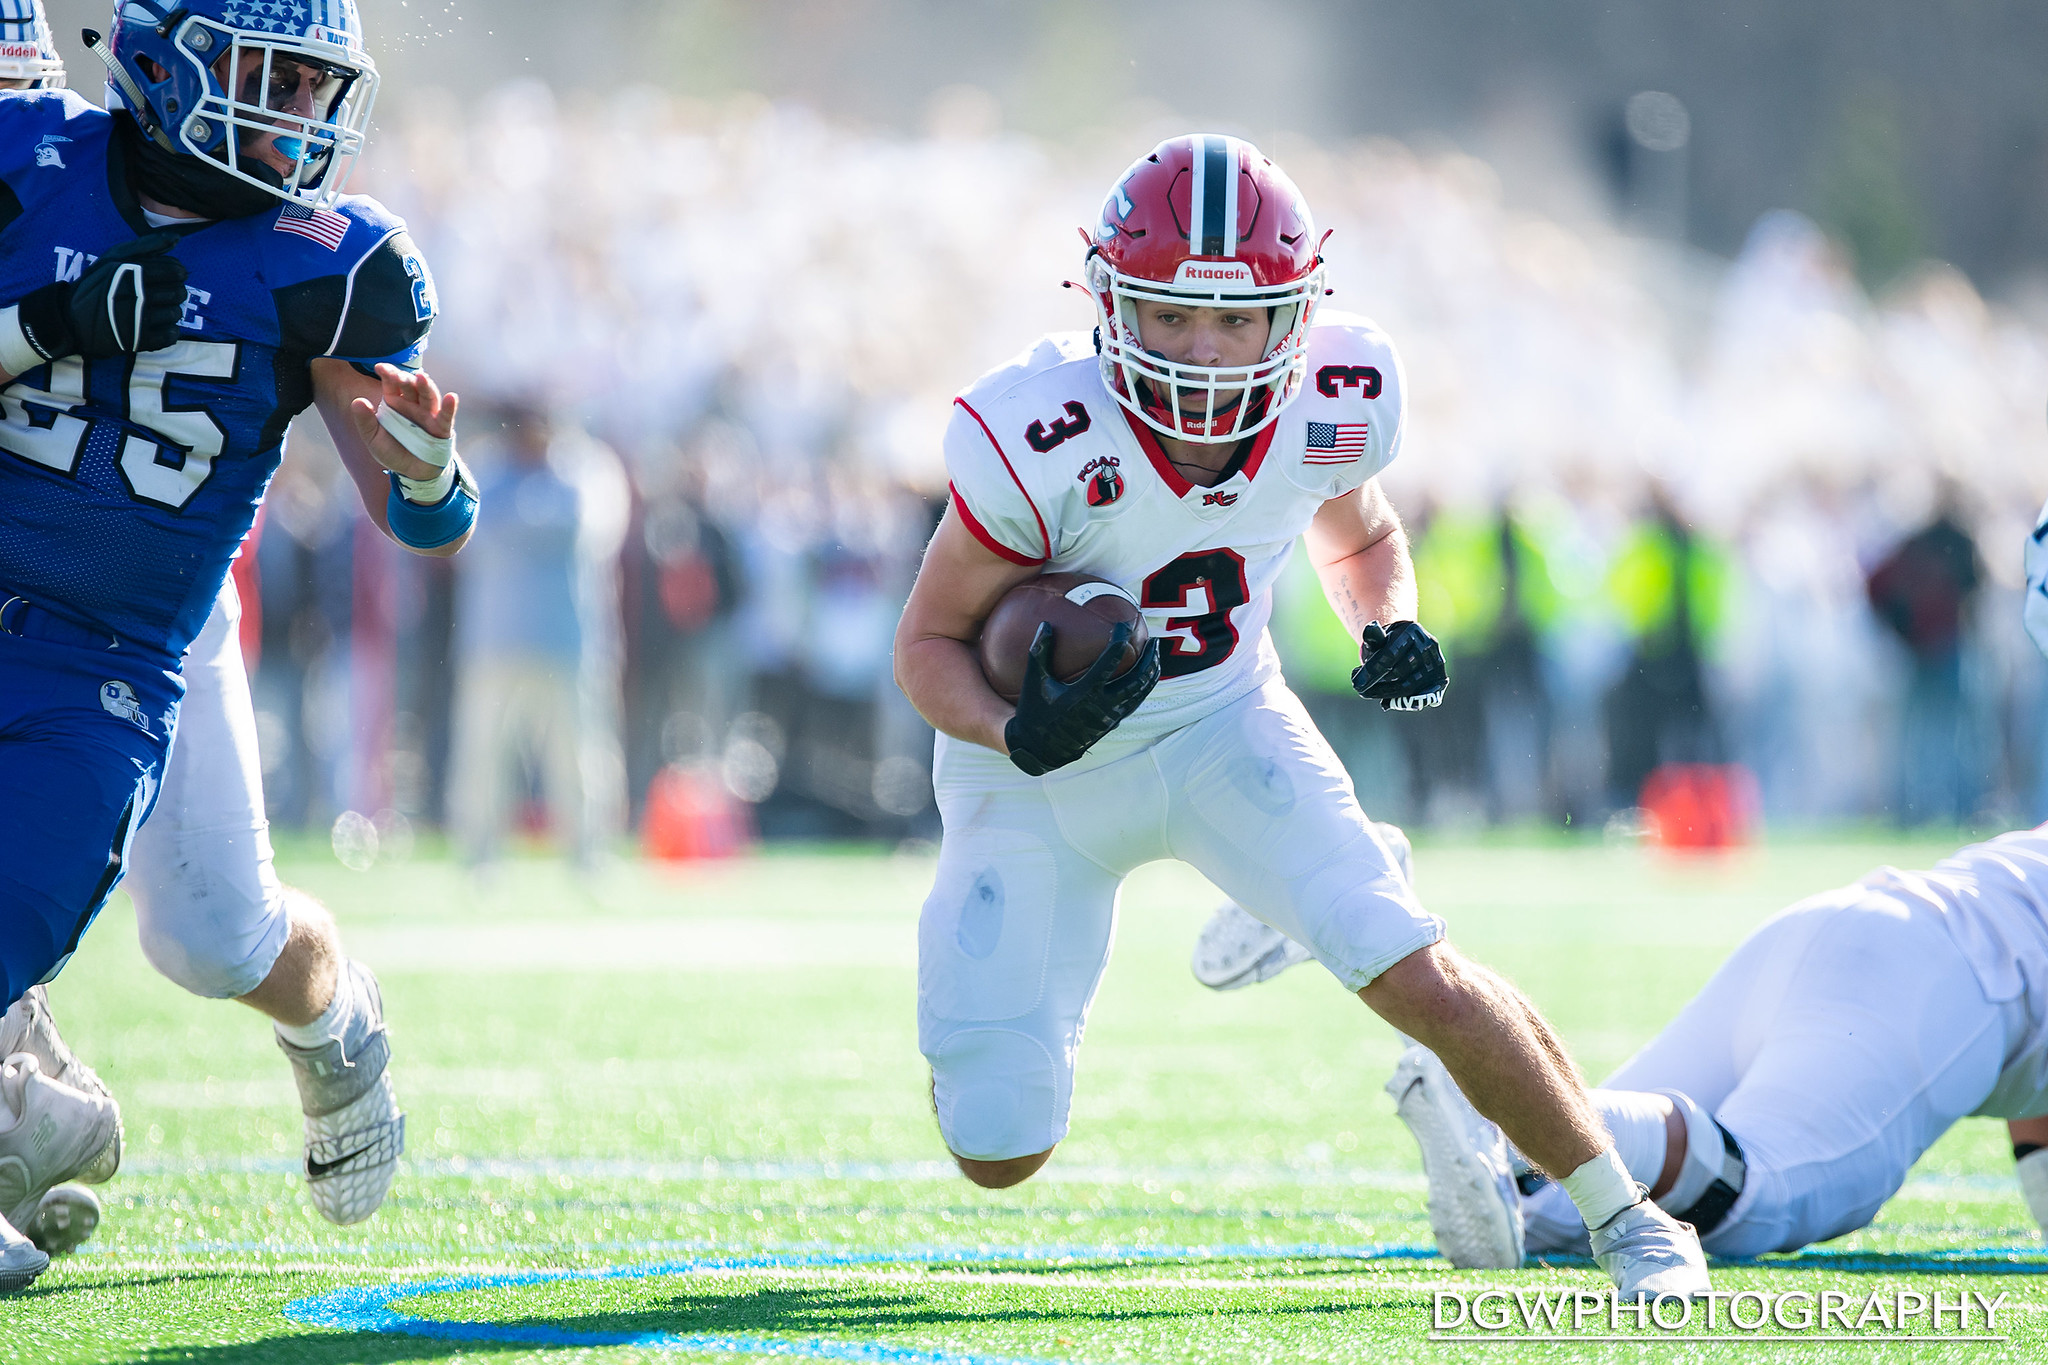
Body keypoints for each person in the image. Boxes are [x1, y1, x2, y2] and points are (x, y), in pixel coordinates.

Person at [891, 134, 1709, 1299]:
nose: (1204, 350)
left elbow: (1361, 536)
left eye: (1235, 321)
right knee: (997, 1152)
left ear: (1295, 313)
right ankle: (1249, 904)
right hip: (1034, 779)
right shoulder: (1044, 437)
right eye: (1171, 317)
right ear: (1110, 304)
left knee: (1414, 967)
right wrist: (1010, 728)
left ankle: (1625, 1219)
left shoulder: (1331, 400)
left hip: (1223, 727)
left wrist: (1386, 620)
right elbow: (925, 646)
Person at [0, 0, 474, 1289]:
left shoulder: (324, 258)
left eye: (318, 89)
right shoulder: (28, 160)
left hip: (137, 617)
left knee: (207, 935)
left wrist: (429, 474)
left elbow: (418, 512)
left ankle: (337, 1029)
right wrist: (52, 323)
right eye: (270, 77)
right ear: (162, 59)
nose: (298, 120)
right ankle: (29, 1107)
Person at [1439, 827, 2048, 1258]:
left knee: (1563, 1212)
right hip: (1938, 977)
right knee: (1757, 1192)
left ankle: (1499, 1122)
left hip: (1841, 922)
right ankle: (1495, 1124)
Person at [447, 404, 628, 868]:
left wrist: (516, 522)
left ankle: (589, 855)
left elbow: (588, 530)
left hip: (569, 644)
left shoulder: (585, 470)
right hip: (495, 644)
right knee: (484, 759)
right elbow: (467, 537)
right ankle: (479, 857)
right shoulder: (483, 469)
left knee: (580, 760)